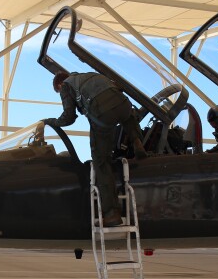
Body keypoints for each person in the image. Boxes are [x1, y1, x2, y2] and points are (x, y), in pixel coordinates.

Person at [42, 72, 146, 227]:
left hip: (103, 114)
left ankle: (111, 213)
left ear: (59, 85)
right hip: (124, 105)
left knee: (100, 162)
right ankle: (137, 140)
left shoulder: (66, 86)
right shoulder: (91, 75)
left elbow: (68, 117)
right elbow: (118, 89)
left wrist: (50, 121)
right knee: (126, 114)